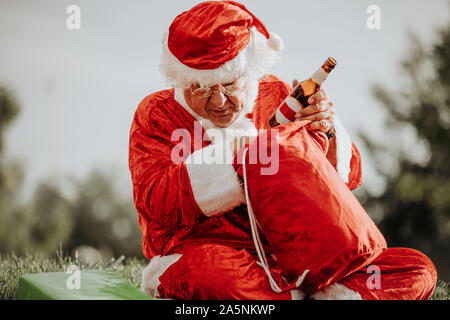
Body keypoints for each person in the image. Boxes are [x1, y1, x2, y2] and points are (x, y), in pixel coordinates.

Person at [129, 1, 437, 300]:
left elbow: (348, 177)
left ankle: (319, 293)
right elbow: (155, 199)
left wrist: (325, 129)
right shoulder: (157, 114)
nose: (219, 102)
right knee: (212, 275)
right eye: (201, 88)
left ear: (251, 72)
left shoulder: (275, 94)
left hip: (296, 256)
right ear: (181, 79)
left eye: (230, 84)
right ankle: (302, 294)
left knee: (417, 269)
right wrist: (246, 160)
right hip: (209, 251)